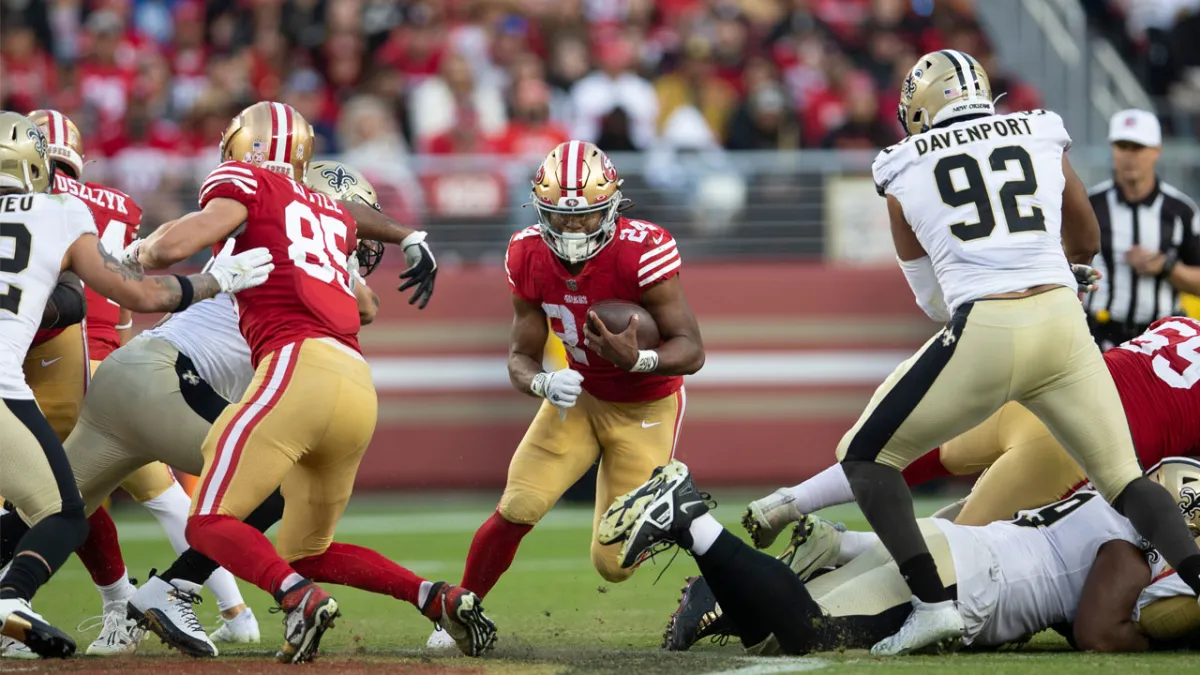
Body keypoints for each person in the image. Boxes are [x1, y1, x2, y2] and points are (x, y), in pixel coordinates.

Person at [828, 49, 1200, 655]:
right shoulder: (1041, 129)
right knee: (1126, 482)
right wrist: (1067, 272)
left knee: (866, 457)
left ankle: (932, 604)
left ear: (920, 109)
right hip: (1066, 326)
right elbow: (1087, 236)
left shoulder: (900, 166)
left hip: (991, 328)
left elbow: (932, 301)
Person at [124, 102, 491, 663]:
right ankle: (434, 597)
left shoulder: (249, 187)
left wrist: (141, 251)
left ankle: (295, 600)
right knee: (306, 548)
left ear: (247, 146)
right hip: (357, 387)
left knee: (208, 522)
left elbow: (171, 249)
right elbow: (361, 283)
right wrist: (406, 234)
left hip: (295, 368)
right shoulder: (323, 216)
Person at [0, 111, 271, 658]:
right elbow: (141, 297)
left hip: (53, 375)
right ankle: (12, 598)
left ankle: (104, 600)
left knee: (39, 505)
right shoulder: (61, 208)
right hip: (37, 376)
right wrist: (215, 280)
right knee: (65, 513)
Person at [427, 140, 706, 649]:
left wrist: (639, 358)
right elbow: (519, 355)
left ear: (613, 206)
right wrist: (542, 382)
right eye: (561, 217)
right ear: (540, 210)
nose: (574, 229)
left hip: (645, 403)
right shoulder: (526, 252)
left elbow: (692, 350)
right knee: (518, 506)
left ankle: (694, 541)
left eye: (587, 217)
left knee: (614, 562)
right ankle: (460, 612)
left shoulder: (644, 248)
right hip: (576, 398)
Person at [601, 459, 1200, 656]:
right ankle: (692, 519)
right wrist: (1148, 639)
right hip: (965, 579)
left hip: (952, 551)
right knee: (812, 635)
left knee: (775, 638)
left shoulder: (1100, 498)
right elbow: (1098, 629)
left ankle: (719, 561)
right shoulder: (1131, 545)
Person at [746, 314, 1200, 543]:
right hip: (1075, 442)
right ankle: (839, 553)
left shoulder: (1181, 323)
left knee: (905, 459)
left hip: (1043, 393)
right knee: (965, 548)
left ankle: (791, 500)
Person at [1086, 109, 1200, 351]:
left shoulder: (1181, 210)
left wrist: (1166, 267)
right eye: (1122, 146)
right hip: (1100, 334)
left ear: (1156, 150)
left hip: (1162, 339)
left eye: (1138, 147)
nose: (1129, 156)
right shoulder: (1090, 205)